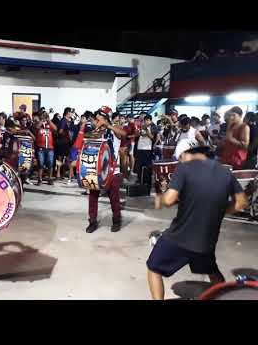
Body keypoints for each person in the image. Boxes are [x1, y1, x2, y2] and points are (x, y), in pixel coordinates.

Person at [147, 139, 248, 300]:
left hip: (180, 237)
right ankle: (225, 296)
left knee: (153, 268)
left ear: (186, 154)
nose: (179, 162)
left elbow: (169, 200)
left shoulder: (185, 169)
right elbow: (242, 202)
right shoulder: (224, 172)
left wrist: (161, 197)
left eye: (180, 158)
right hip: (206, 241)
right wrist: (219, 211)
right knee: (212, 272)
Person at [86, 107, 126, 233]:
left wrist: (108, 126)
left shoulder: (114, 131)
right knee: (92, 196)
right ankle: (92, 221)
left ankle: (117, 220)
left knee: (114, 197)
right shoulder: (97, 131)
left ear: (106, 119)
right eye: (97, 118)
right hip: (97, 170)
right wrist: (95, 130)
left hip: (114, 170)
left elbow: (123, 134)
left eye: (100, 118)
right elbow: (87, 142)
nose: (98, 120)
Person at [34, 111, 57, 186]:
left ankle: (50, 178)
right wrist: (42, 120)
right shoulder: (38, 124)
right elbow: (36, 128)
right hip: (41, 148)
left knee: (50, 163)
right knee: (40, 164)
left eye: (45, 116)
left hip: (50, 148)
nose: (45, 117)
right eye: (43, 115)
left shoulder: (49, 125)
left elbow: (55, 129)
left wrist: (49, 120)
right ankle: (39, 179)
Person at [135, 115, 158, 186]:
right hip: (140, 148)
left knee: (148, 166)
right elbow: (137, 135)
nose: (146, 122)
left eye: (147, 120)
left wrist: (146, 130)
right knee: (139, 166)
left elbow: (153, 138)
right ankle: (139, 180)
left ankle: (147, 182)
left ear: (150, 121)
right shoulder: (140, 126)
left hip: (148, 149)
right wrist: (138, 132)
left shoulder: (153, 127)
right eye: (145, 120)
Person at [55, 107, 73, 180]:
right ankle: (59, 174)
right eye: (71, 112)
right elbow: (60, 131)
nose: (72, 114)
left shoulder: (66, 121)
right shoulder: (64, 121)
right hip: (63, 142)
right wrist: (67, 134)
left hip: (64, 142)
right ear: (68, 113)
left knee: (63, 158)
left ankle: (61, 174)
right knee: (62, 158)